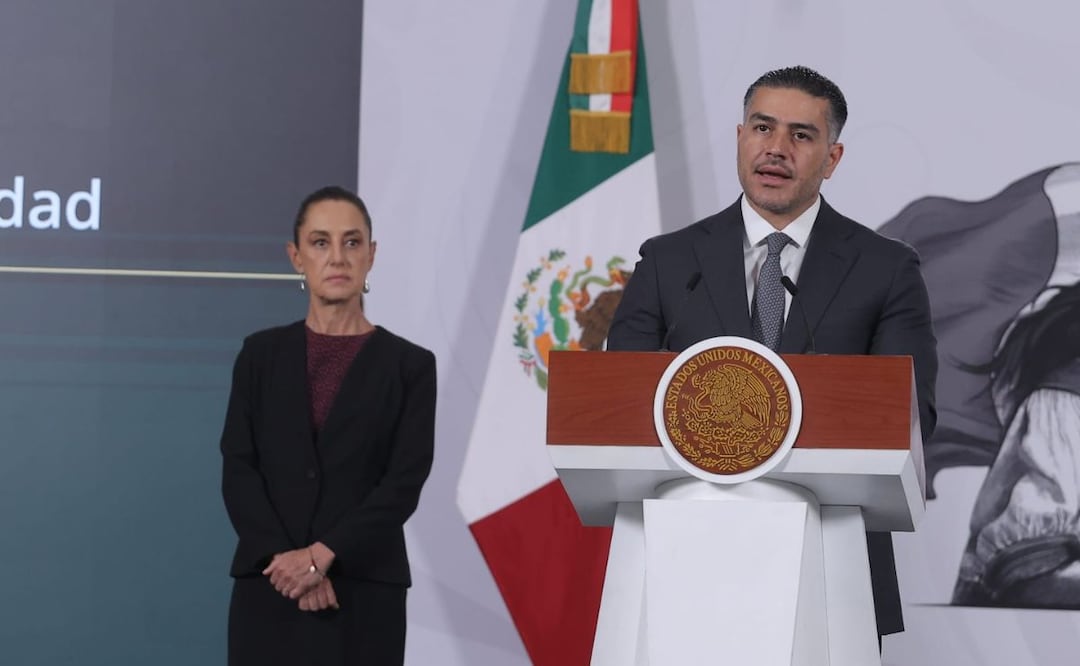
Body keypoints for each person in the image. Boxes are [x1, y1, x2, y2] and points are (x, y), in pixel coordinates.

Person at [607, 65, 938, 640]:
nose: (776, 149)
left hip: (831, 564)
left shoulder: (885, 269)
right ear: (740, 138)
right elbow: (615, 409)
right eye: (762, 128)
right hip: (683, 562)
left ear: (832, 158)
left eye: (801, 135)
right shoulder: (668, 262)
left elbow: (911, 417)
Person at [220, 185, 436, 664]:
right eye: (320, 243)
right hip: (270, 588)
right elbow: (239, 468)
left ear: (371, 256)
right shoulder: (259, 356)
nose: (337, 257)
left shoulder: (411, 367)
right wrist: (289, 564)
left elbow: (403, 482)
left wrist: (321, 557)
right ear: (296, 256)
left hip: (362, 594)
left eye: (352, 242)